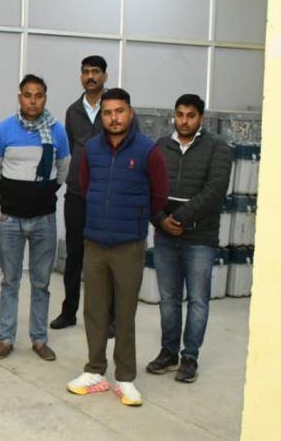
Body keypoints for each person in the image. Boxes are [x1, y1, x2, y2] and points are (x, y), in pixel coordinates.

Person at [66, 88, 168, 407]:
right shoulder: (92, 149)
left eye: (119, 111)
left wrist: (135, 218)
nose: (114, 118)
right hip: (95, 242)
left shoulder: (147, 150)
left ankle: (125, 378)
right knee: (94, 310)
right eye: (108, 113)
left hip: (129, 245)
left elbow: (159, 195)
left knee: (125, 313)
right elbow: (85, 187)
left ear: (130, 113)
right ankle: (95, 370)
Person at [146, 94, 231, 383]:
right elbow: (149, 187)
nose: (184, 121)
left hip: (200, 238)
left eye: (190, 115)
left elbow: (215, 190)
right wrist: (161, 220)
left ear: (201, 118)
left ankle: (190, 356)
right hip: (165, 235)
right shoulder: (161, 146)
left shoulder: (217, 148)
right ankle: (169, 352)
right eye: (180, 115)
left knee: (197, 300)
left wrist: (179, 218)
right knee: (168, 299)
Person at [0, 74, 69, 362]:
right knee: (10, 281)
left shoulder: (57, 131)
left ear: (45, 98)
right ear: (19, 97)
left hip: (44, 220)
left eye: (38, 95)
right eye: (27, 95)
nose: (33, 101)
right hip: (10, 221)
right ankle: (6, 338)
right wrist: (14, 195)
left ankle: (39, 339)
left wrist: (41, 194)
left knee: (41, 283)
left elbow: (63, 170)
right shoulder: (4, 129)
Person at [53, 55, 132, 332]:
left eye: (96, 72)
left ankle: (110, 317)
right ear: (81, 77)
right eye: (86, 72)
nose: (90, 76)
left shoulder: (114, 109)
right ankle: (69, 312)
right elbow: (67, 150)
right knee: (74, 254)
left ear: (105, 76)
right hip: (76, 193)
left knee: (107, 256)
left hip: (106, 194)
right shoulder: (73, 111)